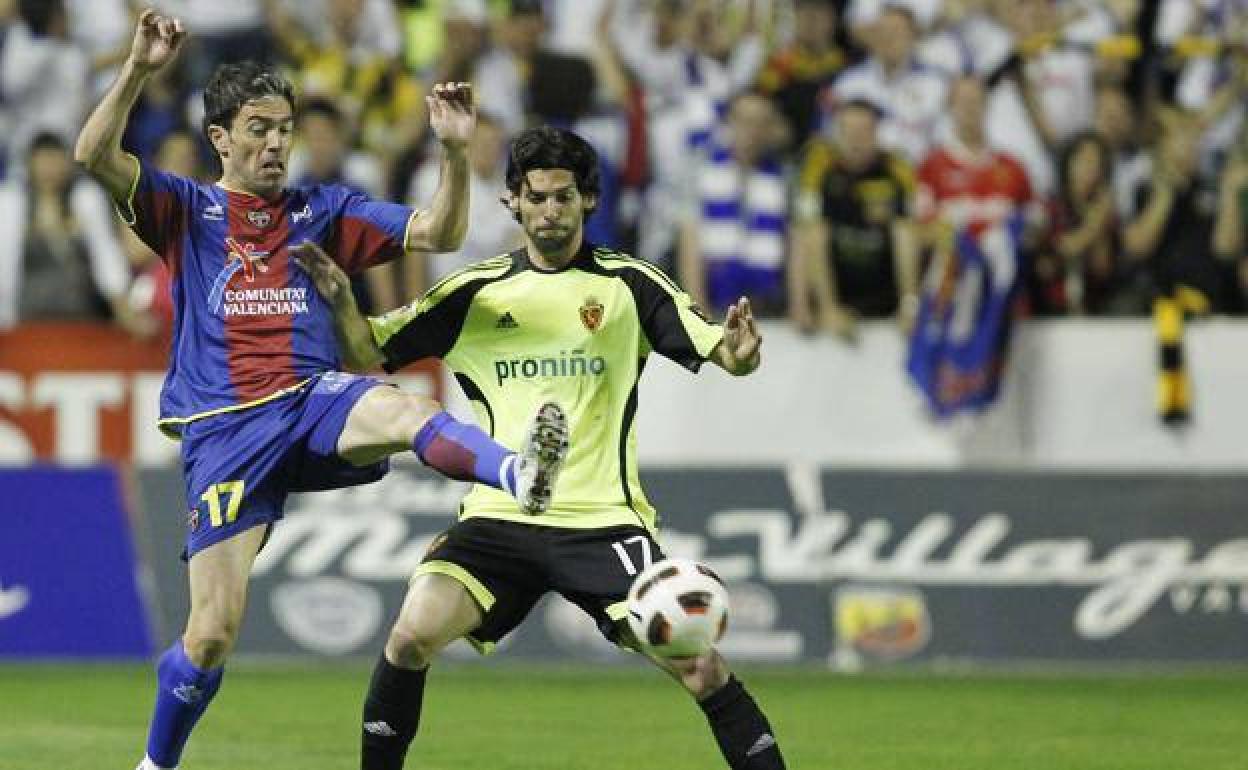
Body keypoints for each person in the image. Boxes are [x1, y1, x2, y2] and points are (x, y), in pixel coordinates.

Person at [73, 12, 569, 770]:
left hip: (311, 398)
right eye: (259, 128)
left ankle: (519, 474)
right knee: (210, 634)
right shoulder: (183, 209)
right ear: (221, 140)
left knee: (408, 409)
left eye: (285, 128)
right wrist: (139, 70)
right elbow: (93, 154)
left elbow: (438, 230)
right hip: (225, 428)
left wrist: (453, 151)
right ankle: (155, 764)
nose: (276, 143)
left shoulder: (322, 209)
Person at [296, 125, 785, 770]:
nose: (550, 210)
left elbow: (721, 348)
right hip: (500, 513)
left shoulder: (630, 286)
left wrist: (743, 354)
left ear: (588, 200)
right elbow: (369, 353)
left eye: (564, 196)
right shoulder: (476, 292)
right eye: (537, 197)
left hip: (601, 518)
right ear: (513, 203)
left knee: (700, 667)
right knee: (412, 633)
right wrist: (339, 299)